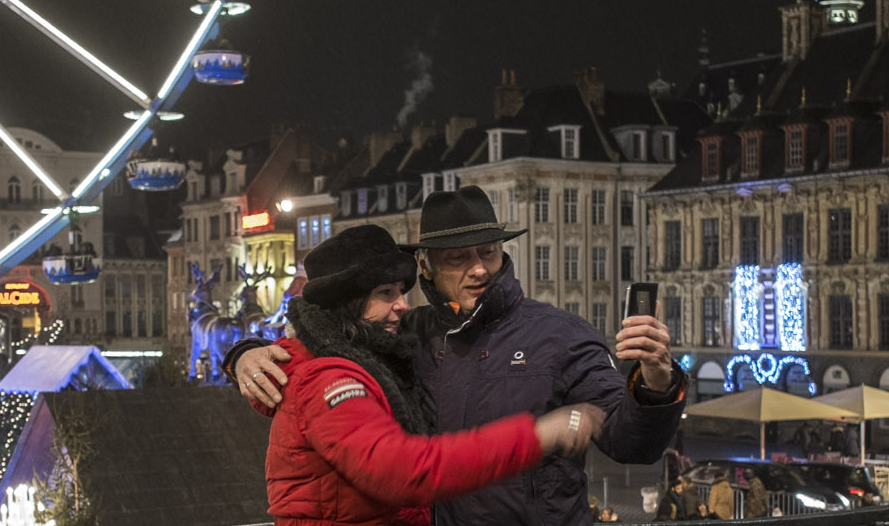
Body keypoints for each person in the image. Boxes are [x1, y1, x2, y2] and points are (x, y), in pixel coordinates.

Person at [231, 187, 686, 526]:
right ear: (425, 265)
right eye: (458, 258)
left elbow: (635, 445)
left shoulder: (560, 335)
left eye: (488, 252)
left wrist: (656, 383)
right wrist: (246, 355)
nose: (479, 268)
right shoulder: (404, 332)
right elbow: (322, 349)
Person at [258, 225, 604, 525]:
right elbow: (405, 471)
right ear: (347, 304)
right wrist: (536, 435)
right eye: (386, 293)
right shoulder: (329, 378)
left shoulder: (356, 356)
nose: (403, 305)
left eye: (402, 291)